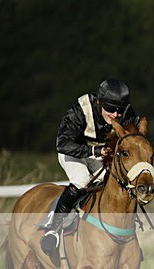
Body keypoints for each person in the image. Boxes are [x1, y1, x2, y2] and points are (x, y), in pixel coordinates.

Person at [40, 79, 141, 256]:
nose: (116, 114)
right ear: (99, 102)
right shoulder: (80, 109)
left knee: (115, 184)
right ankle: (52, 229)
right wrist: (95, 150)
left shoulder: (126, 113)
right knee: (82, 181)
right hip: (74, 152)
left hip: (101, 154)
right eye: (110, 109)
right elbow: (62, 144)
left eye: (120, 110)